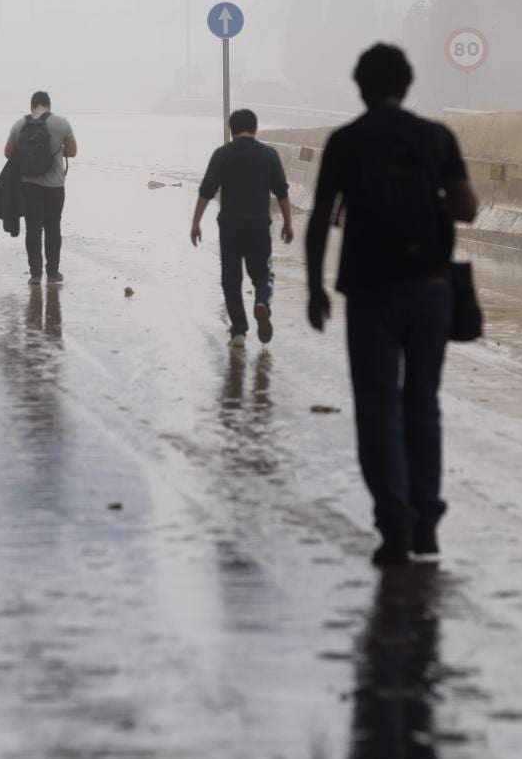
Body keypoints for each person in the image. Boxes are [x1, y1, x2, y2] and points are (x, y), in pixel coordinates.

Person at [305, 43, 478, 568]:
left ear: (360, 86)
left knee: (378, 406)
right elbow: (467, 208)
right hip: (431, 288)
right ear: (407, 85)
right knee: (423, 403)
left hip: (370, 289)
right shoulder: (436, 138)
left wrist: (315, 287)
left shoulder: (346, 142)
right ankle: (427, 520)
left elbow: (318, 219)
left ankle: (395, 522)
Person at [191, 109, 295, 349]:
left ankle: (238, 331)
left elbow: (206, 190)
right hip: (259, 225)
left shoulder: (222, 155)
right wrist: (288, 223)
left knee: (231, 279)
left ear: (231, 129)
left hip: (229, 226)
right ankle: (261, 302)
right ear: (255, 129)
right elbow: (282, 191)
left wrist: (196, 223)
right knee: (263, 274)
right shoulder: (269, 155)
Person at [4, 91, 77, 284]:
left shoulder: (20, 124)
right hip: (55, 185)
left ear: (31, 106)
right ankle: (53, 273)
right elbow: (73, 152)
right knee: (53, 228)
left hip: (29, 185)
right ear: (49, 106)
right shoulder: (62, 123)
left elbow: (8, 153)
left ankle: (35, 274)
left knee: (33, 229)